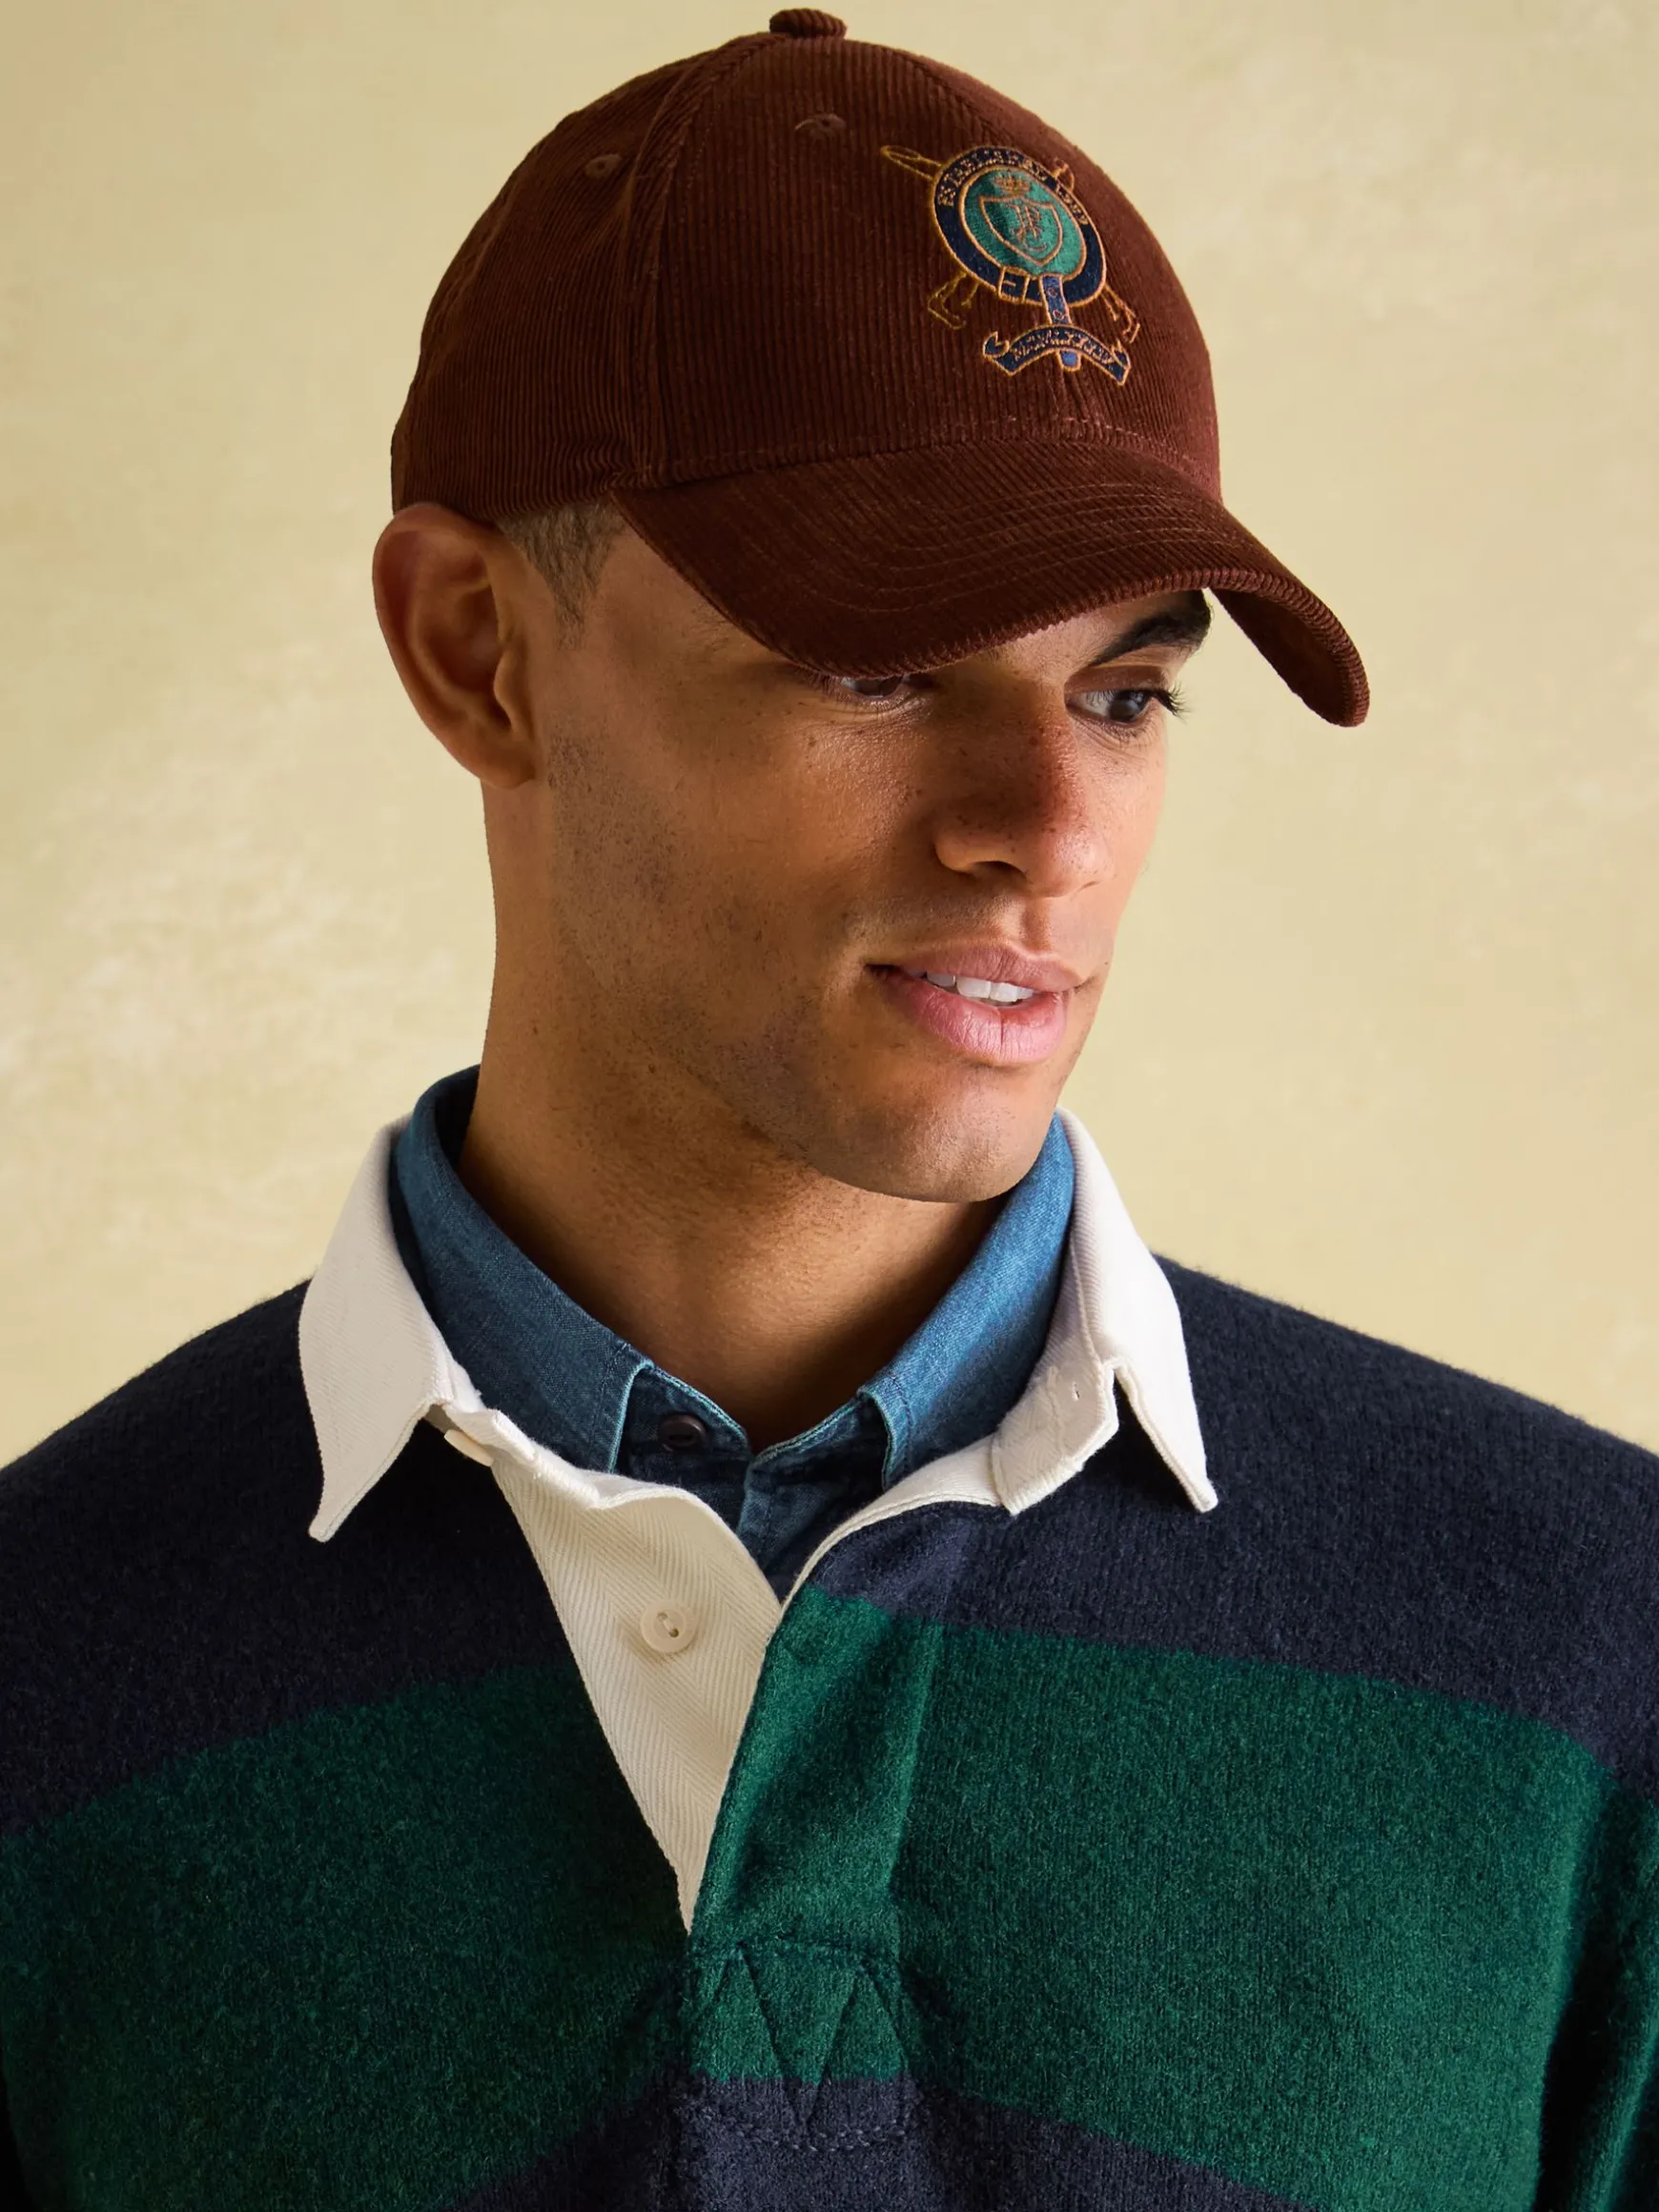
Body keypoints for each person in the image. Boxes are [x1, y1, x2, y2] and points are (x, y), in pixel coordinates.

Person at [1, 11, 1653, 2209]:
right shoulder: (43, 1686)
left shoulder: (1589, 1657)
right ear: (477, 647)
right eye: (882, 666)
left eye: (1126, 689)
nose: (1047, 826)